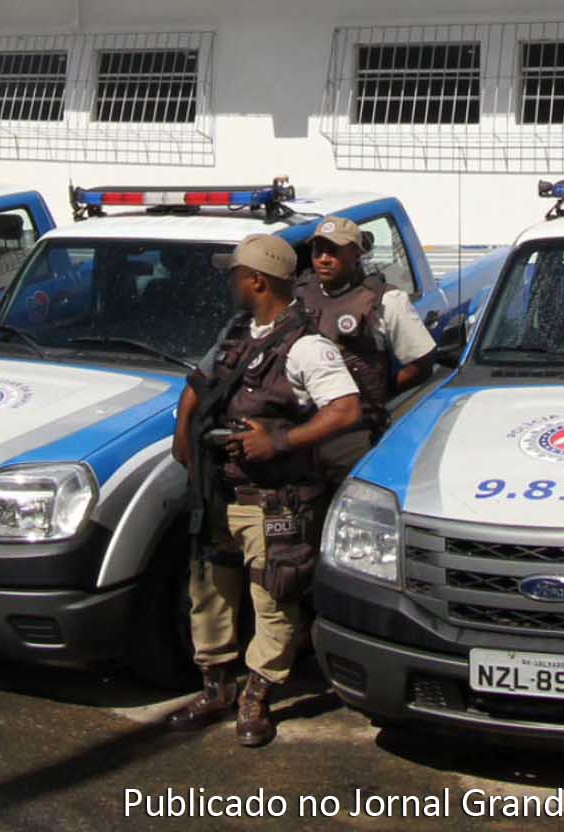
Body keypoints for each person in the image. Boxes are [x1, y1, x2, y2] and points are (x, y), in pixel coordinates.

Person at [168, 233, 360, 748]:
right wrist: (184, 437)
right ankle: (216, 688)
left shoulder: (307, 346)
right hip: (217, 494)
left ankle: (256, 696)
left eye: (235, 272)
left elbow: (346, 410)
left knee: (274, 597)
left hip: (273, 500)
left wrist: (280, 440)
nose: (230, 280)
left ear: (256, 279)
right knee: (208, 593)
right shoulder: (237, 331)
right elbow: (196, 384)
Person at [291, 216, 436, 485]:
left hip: (353, 436)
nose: (323, 259)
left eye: (333, 251)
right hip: (301, 430)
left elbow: (421, 363)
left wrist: (379, 391)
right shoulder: (298, 295)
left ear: (356, 253)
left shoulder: (386, 300)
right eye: (317, 251)